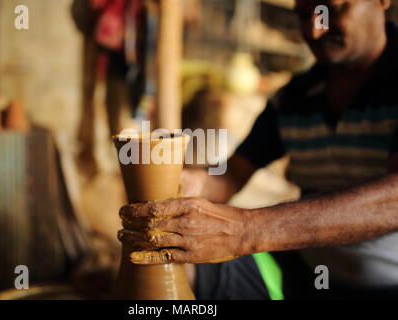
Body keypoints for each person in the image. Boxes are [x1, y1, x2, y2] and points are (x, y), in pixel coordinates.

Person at [118, 0, 398, 299]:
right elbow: (230, 177)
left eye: (332, 10)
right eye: (304, 15)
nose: (315, 32)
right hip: (309, 276)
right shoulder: (294, 97)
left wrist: (247, 231)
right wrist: (183, 184)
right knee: (179, 258)